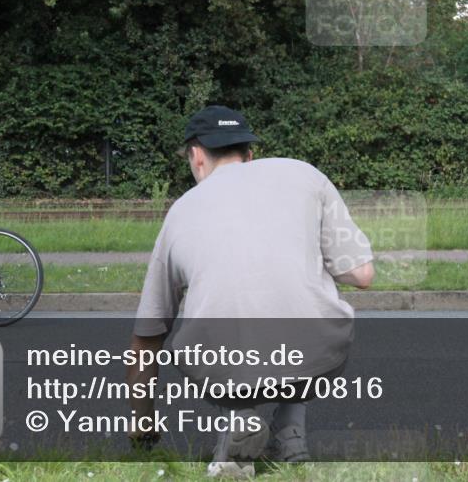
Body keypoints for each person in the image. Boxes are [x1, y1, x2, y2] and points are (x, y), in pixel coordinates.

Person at [127, 105, 375, 478]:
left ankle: (240, 417)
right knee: (305, 307)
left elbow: (147, 337)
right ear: (250, 155)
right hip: (317, 359)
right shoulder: (305, 175)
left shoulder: (181, 211)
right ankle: (290, 435)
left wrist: (142, 423)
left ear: (197, 156)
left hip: (222, 372)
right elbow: (362, 274)